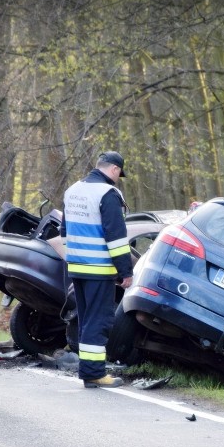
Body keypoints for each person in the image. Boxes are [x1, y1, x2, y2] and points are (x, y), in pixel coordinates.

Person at [61, 151, 133, 388]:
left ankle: (89, 370)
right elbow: (116, 238)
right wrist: (125, 272)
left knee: (86, 320)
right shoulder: (108, 193)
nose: (118, 178)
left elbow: (64, 232)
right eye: (119, 174)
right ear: (114, 170)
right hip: (99, 269)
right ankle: (93, 373)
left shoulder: (73, 191)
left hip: (76, 267)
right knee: (99, 320)